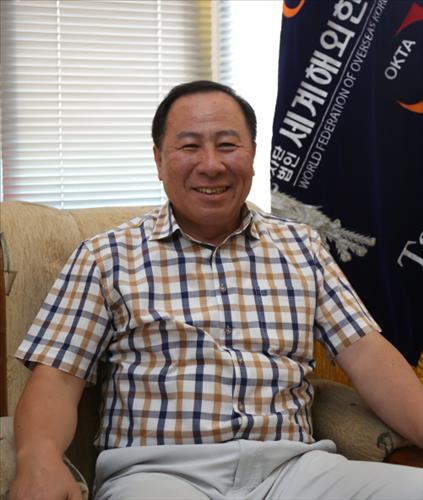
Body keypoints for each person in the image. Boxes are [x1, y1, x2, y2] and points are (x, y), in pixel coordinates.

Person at [10, 80, 423, 500]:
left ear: (253, 154)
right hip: (160, 474)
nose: (211, 165)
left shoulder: (302, 246)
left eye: (227, 145)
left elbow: (368, 356)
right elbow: (57, 378)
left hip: (294, 470)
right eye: (189, 146)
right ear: (158, 159)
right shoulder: (106, 256)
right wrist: (37, 458)